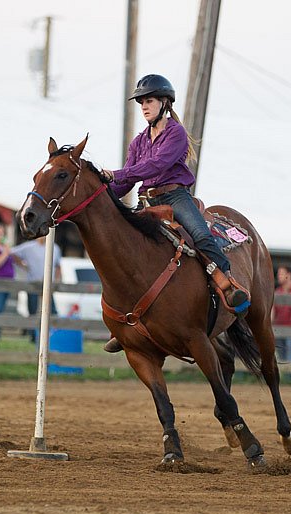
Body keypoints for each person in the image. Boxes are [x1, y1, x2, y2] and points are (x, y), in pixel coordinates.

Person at [99, 74, 249, 353]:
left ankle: (229, 284)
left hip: (175, 196)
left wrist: (115, 173)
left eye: (150, 100)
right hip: (147, 201)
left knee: (200, 235)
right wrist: (101, 196)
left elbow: (156, 166)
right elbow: (126, 183)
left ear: (165, 103)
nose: (144, 106)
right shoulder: (138, 142)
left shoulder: (176, 134)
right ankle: (130, 322)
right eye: (141, 102)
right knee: (129, 251)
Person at [12, 235, 61, 342]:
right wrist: (23, 265)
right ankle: (33, 337)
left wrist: (56, 280)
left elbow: (58, 266)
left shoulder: (55, 247)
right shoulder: (28, 247)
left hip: (48, 285)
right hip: (33, 283)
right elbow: (12, 253)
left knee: (52, 311)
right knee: (33, 311)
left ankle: (52, 336)